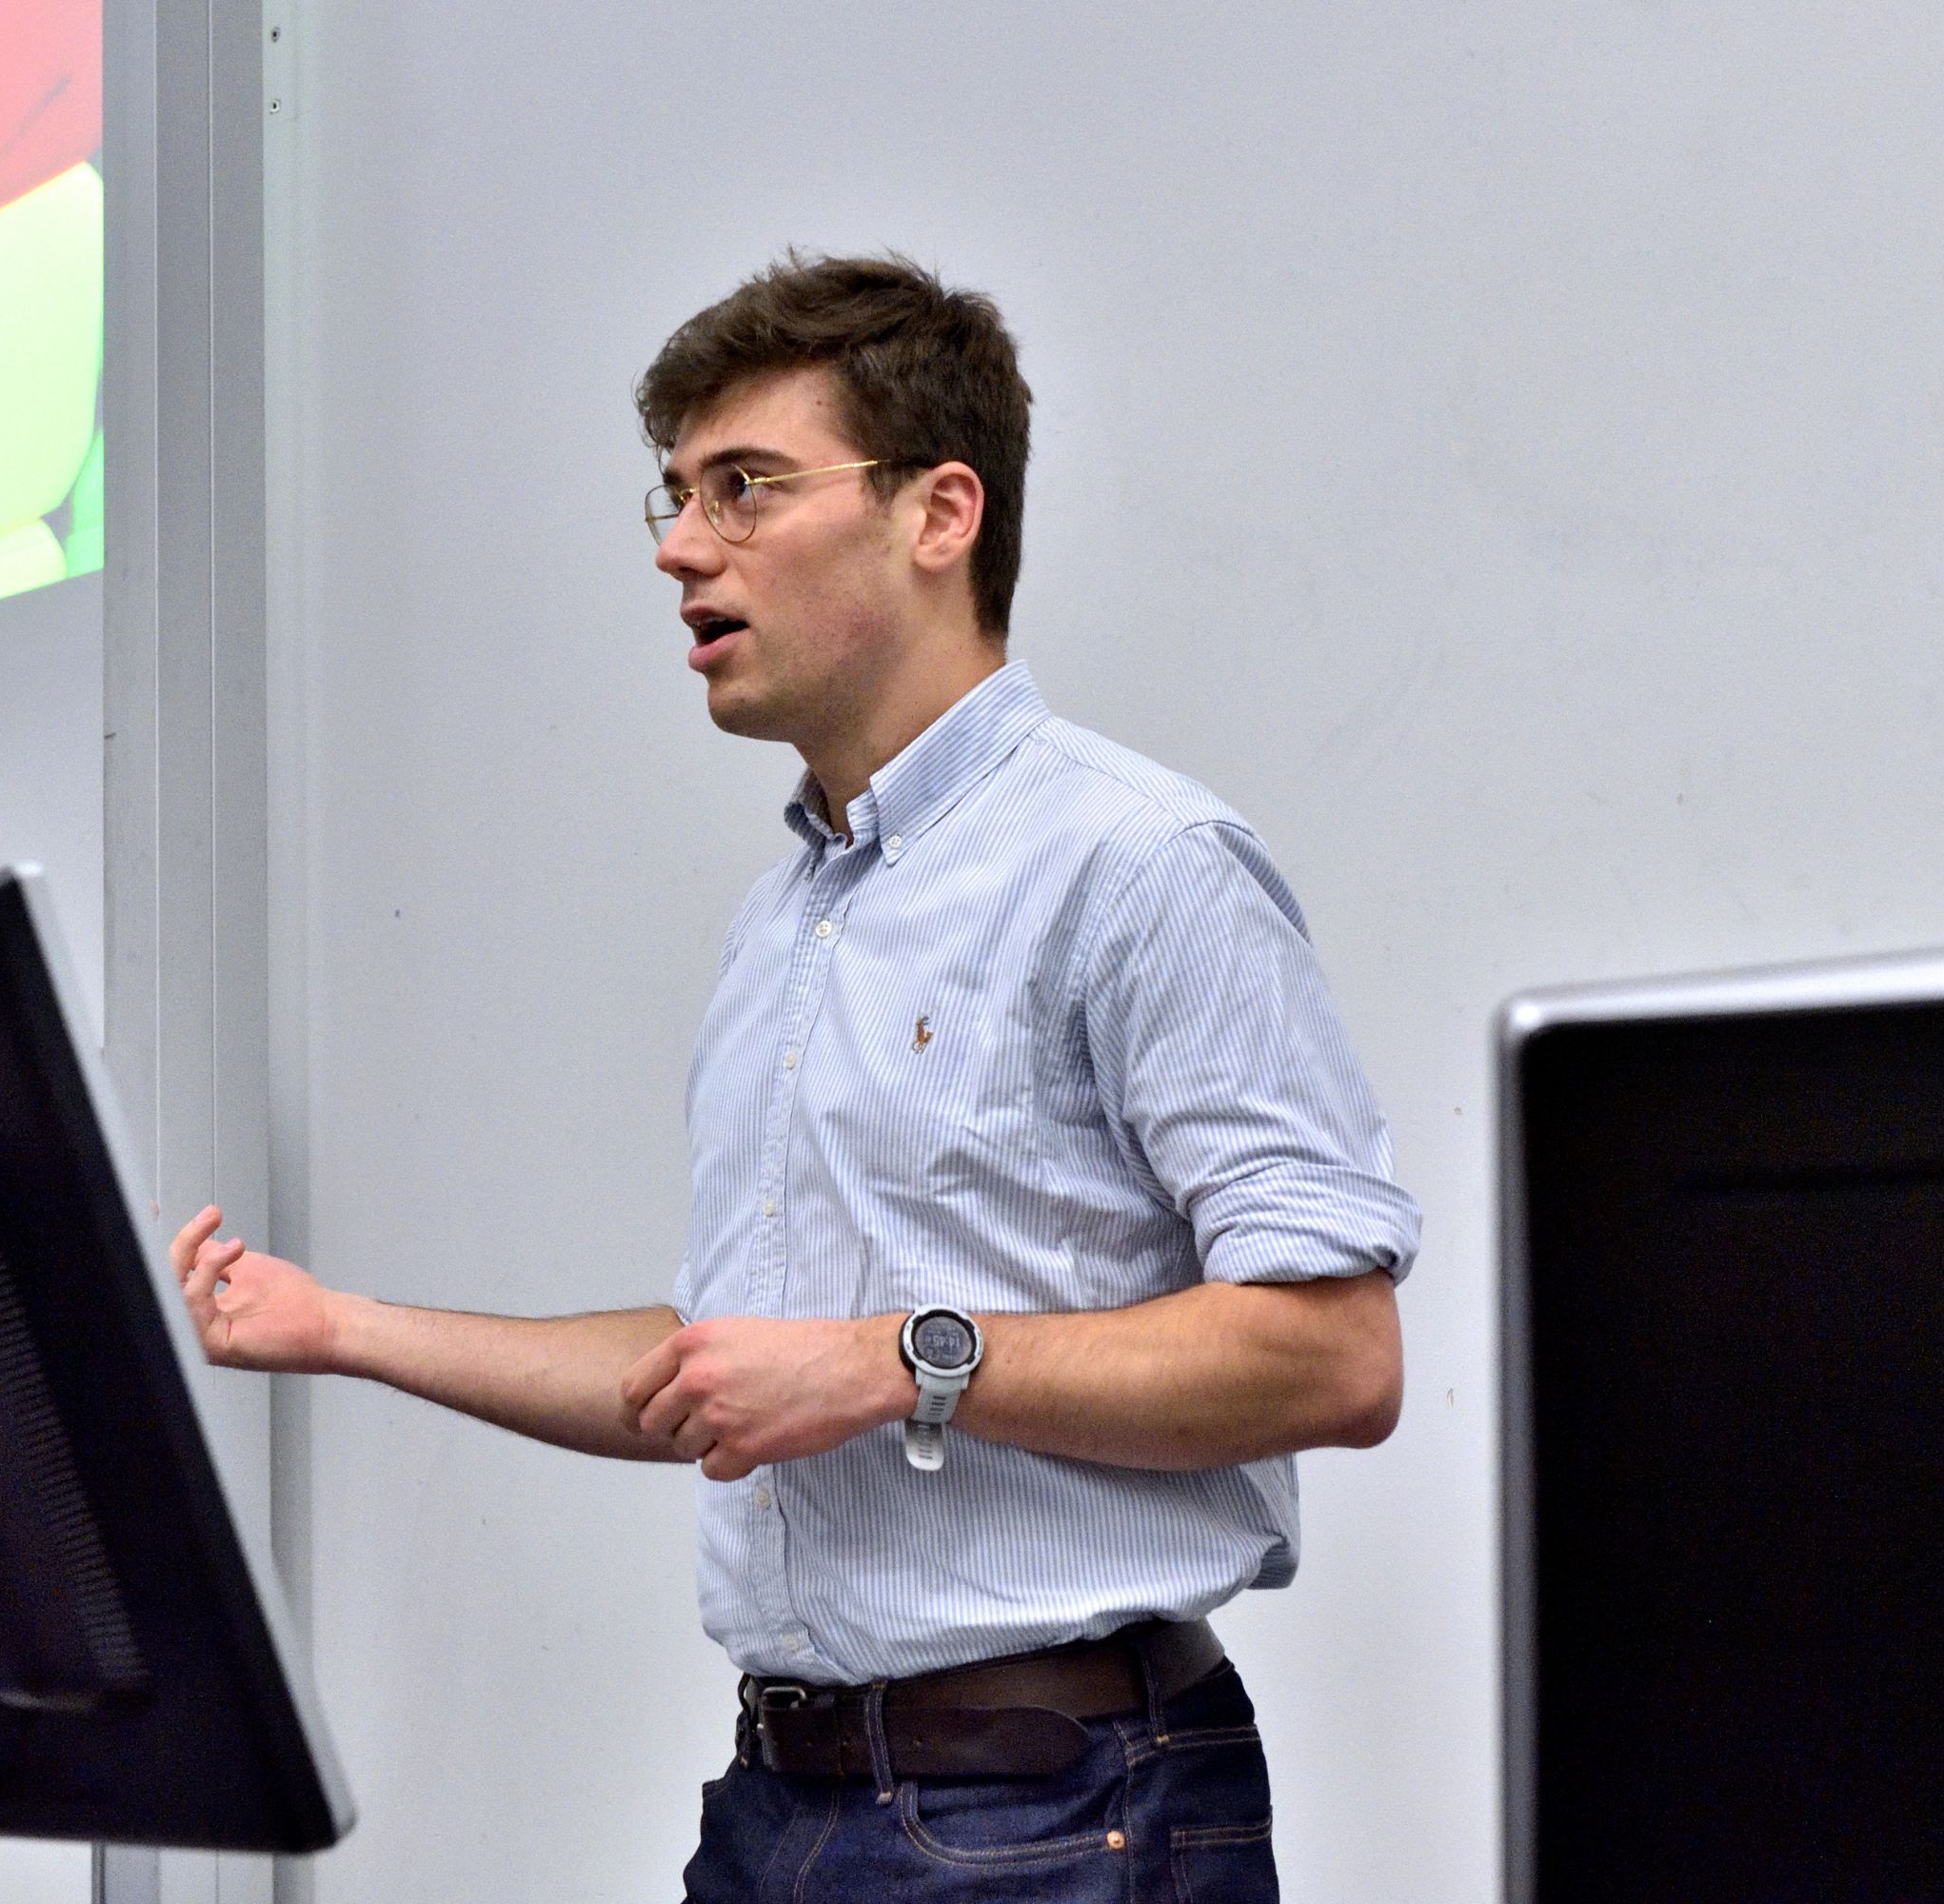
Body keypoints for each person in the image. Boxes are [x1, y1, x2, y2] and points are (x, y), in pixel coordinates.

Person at [172, 251, 1419, 1902]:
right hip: (785, 1808)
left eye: (746, 487)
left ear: (940, 513)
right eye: (675, 498)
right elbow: (731, 1368)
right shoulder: (794, 921)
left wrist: (909, 1361)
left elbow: (1336, 1357)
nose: (685, 545)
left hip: (1055, 1819)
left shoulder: (1138, 863)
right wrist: (337, 1330)